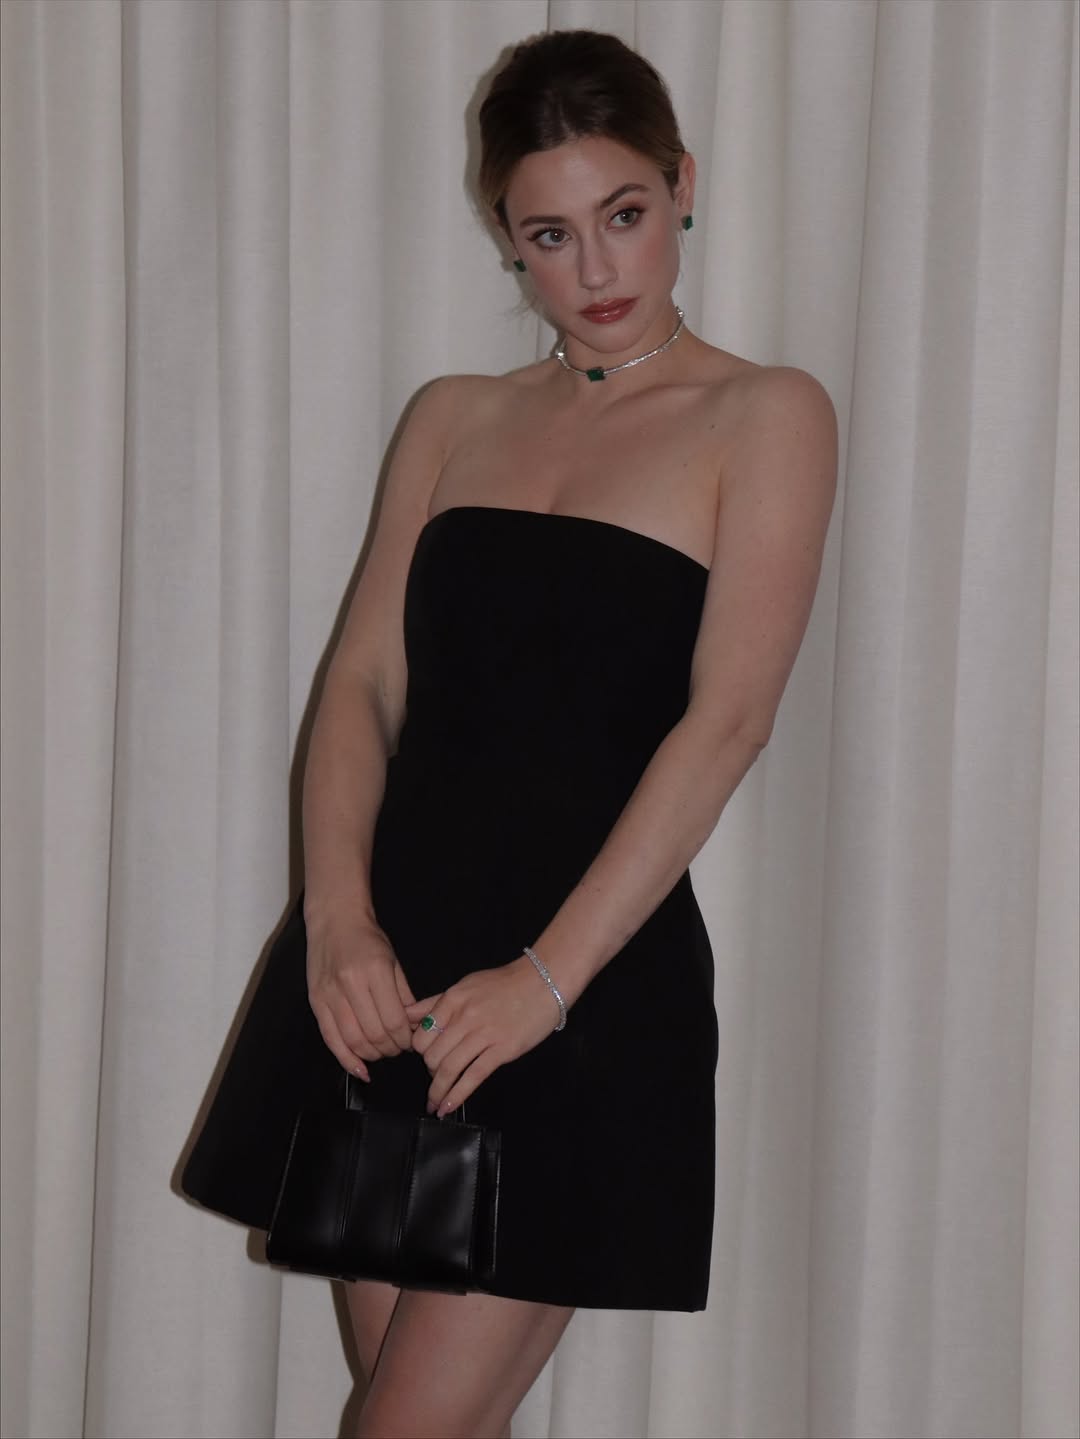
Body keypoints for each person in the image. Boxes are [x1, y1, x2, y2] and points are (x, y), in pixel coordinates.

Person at [181, 27, 837, 1439]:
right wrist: (339, 924)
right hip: (383, 979)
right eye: (550, 235)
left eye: (625, 215)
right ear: (505, 236)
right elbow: (363, 683)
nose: (596, 269)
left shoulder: (765, 415)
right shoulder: (452, 417)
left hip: (581, 982)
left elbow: (728, 723)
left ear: (683, 186)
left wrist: (547, 981)